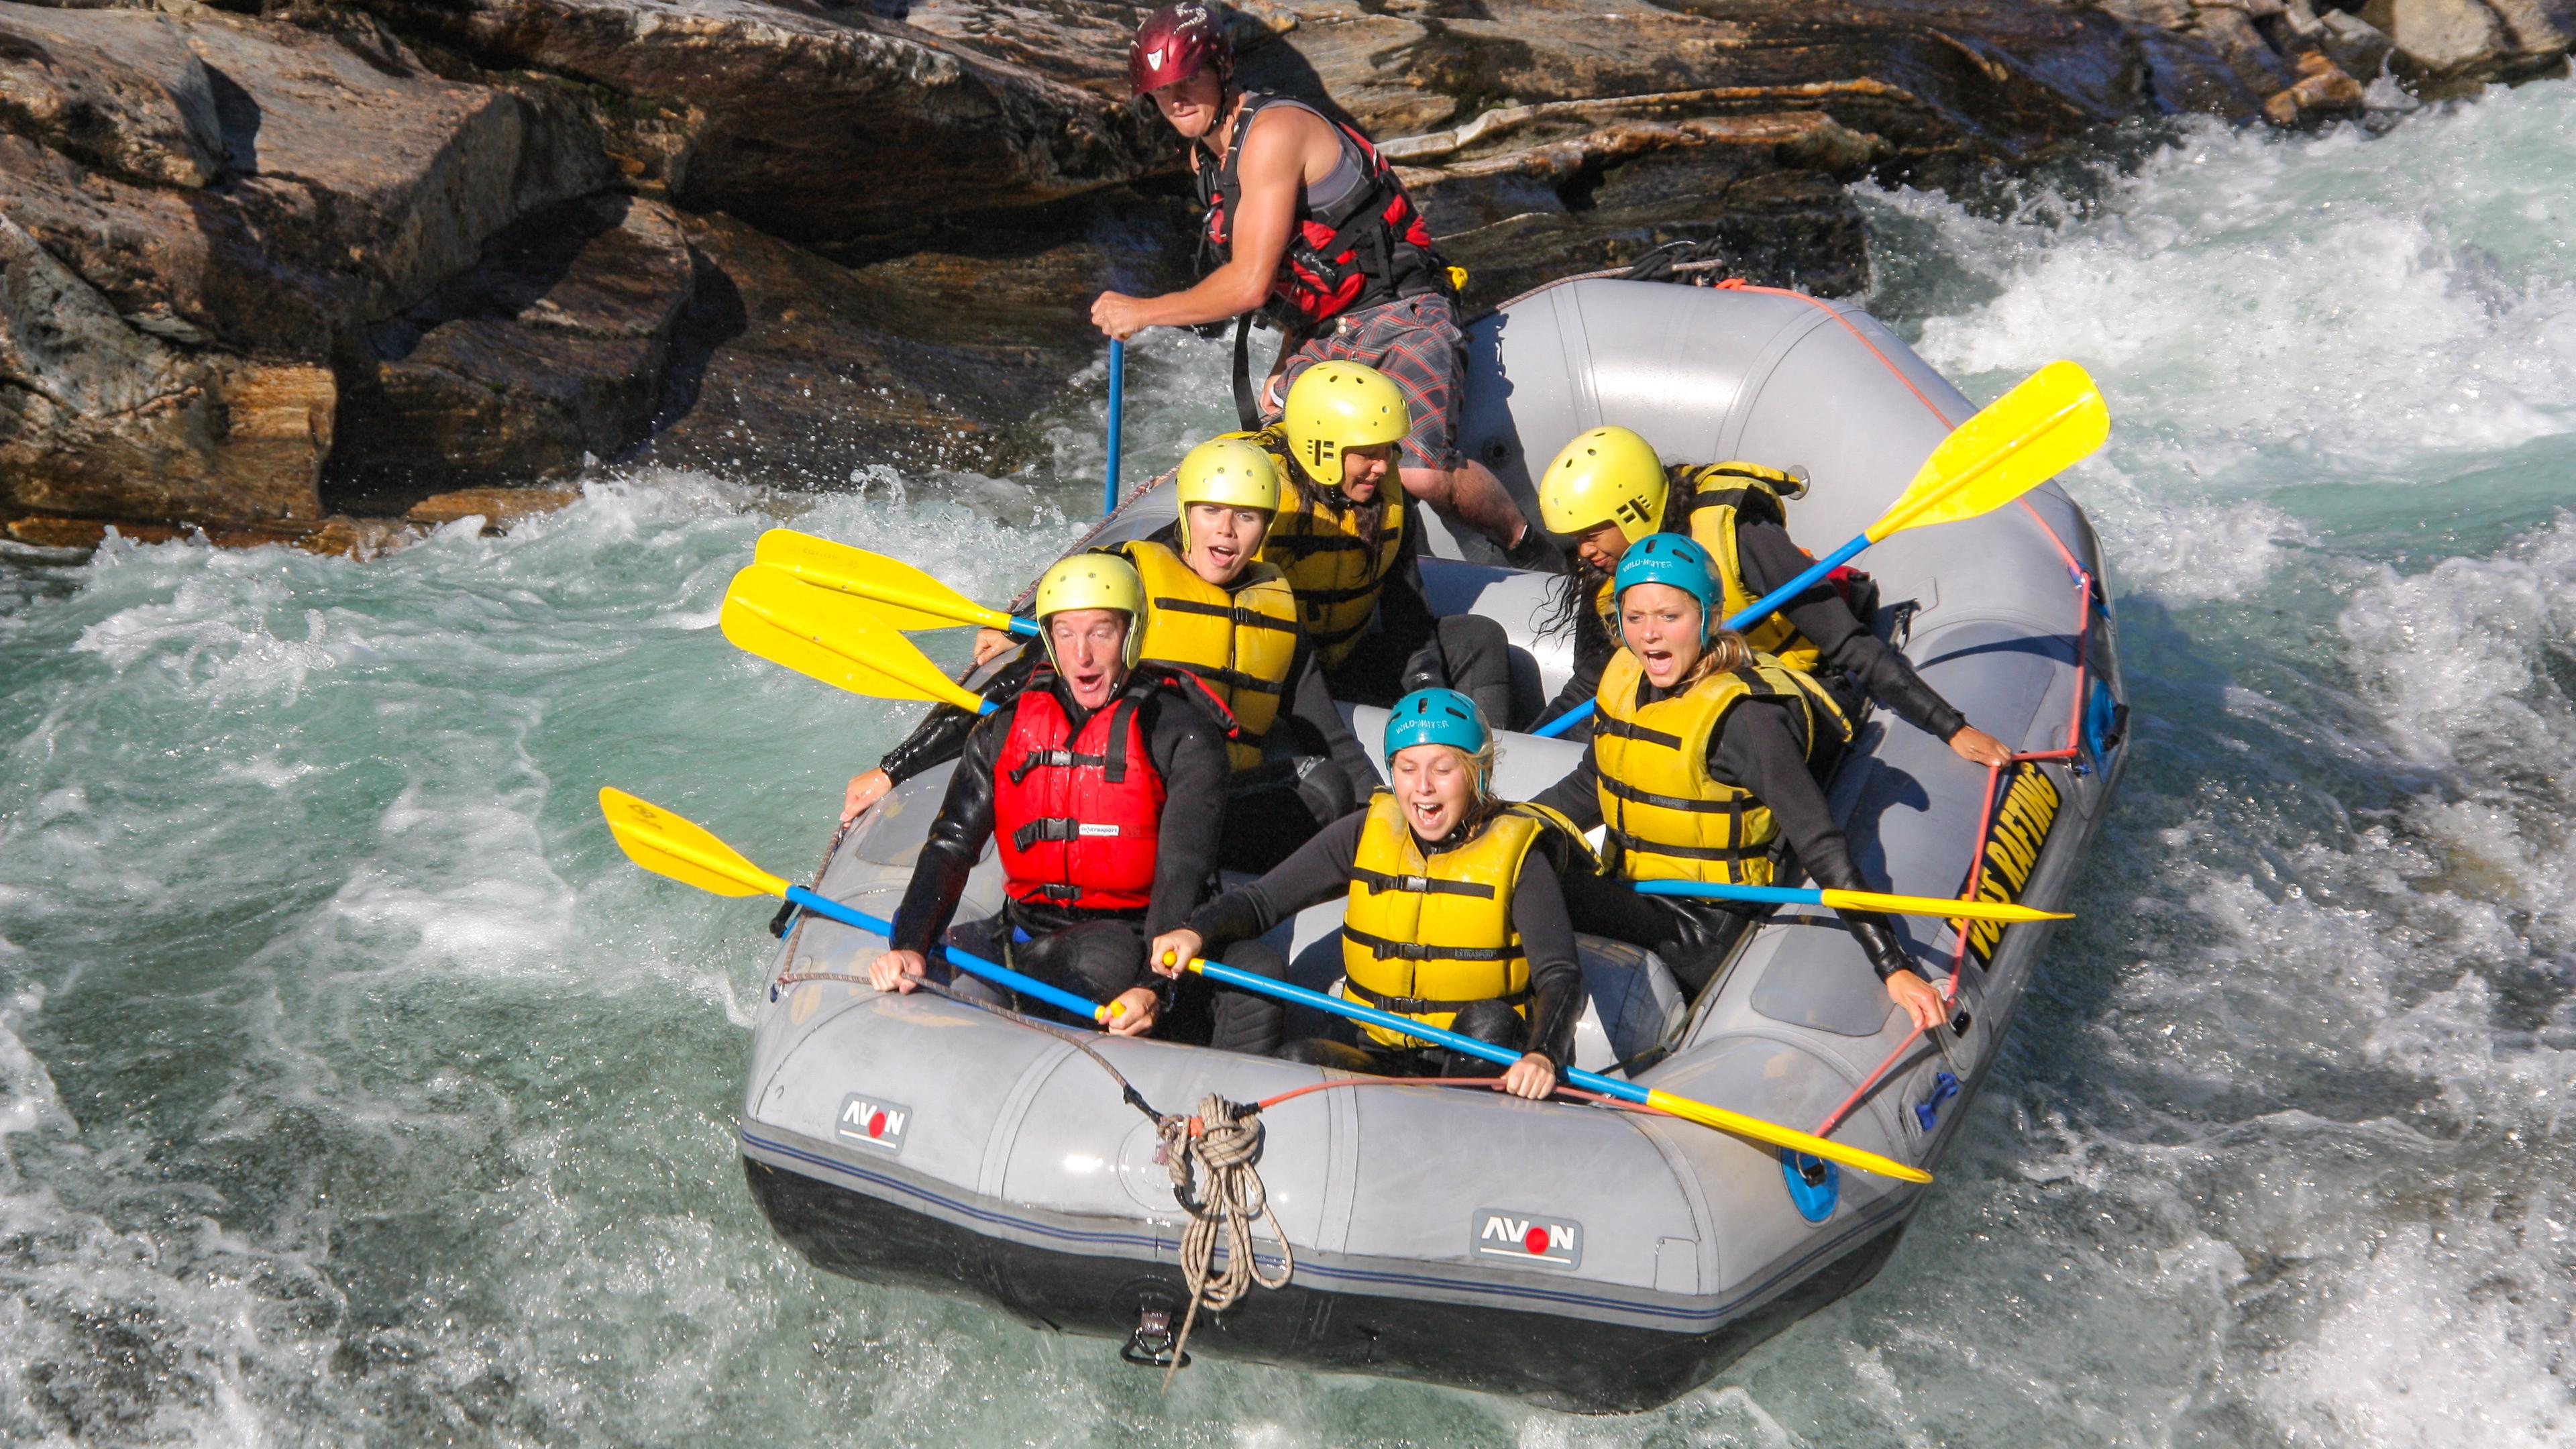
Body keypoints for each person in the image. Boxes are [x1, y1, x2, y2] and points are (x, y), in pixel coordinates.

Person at [1092, 2, 1552, 568]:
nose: (1178, 99)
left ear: (1222, 69)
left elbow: (1249, 285)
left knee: (1419, 474)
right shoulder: (1205, 160)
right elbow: (1295, 275)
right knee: (1281, 463)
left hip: (1404, 310)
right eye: (1163, 90)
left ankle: (1532, 550)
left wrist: (1142, 311)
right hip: (1329, 330)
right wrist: (1287, 356)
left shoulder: (1274, 132)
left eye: (1190, 80)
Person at [843, 438, 1380, 872]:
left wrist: (1386, 817)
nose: (1226, 529)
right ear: (1186, 515)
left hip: (1214, 802)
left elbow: (1325, 733)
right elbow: (1008, 688)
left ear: (1265, 526)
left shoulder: (1275, 605)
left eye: (1246, 516)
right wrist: (894, 769)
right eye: (1212, 511)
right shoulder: (1130, 589)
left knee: (1327, 788)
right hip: (1121, 802)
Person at [1528, 535, 1950, 1031]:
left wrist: (1892, 965)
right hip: (1634, 889)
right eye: (1635, 617)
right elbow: (1590, 786)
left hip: (1702, 926)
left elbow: (1822, 846)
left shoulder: (1744, 720)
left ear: (1708, 617)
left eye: (1670, 616)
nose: (1650, 635)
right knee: (1520, 858)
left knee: (1539, 880)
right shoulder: (1624, 676)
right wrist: (1508, 827)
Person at [1148, 690, 1585, 1096]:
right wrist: (1196, 931)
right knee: (1297, 1060)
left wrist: (1543, 1053)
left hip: (1474, 1063)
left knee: (1490, 1022)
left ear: (1477, 773)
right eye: (1407, 769)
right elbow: (1260, 901)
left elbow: (1559, 973)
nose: (1423, 786)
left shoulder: (1521, 855)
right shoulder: (1366, 832)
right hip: (1376, 1054)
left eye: (1443, 769)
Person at [864, 553, 1230, 1037]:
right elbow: (952, 845)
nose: (1082, 656)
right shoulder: (1005, 728)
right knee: (926, 973)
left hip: (1131, 941)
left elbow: (1182, 872)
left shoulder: (1181, 734)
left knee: (1099, 959)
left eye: (1101, 633)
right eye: (1065, 634)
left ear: (1132, 634)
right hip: (1023, 934)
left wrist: (1152, 986)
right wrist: (912, 943)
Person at [1527, 425, 2015, 769]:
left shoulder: (1738, 535)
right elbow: (1591, 682)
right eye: (1577, 539)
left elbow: (1846, 641)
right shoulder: (1609, 572)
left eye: (1591, 534)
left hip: (1789, 694)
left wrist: (1952, 727)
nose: (1584, 551)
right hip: (1696, 694)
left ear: (1634, 510)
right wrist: (1523, 751)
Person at [1220, 360, 1517, 724]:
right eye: (1368, 454)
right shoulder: (1255, 501)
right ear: (1322, 448)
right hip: (1275, 680)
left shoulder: (1386, 498)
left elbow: (1406, 612)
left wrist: (1426, 693)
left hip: (1344, 663)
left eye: (1387, 450)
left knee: (1480, 639)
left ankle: (1481, 751)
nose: (1383, 467)